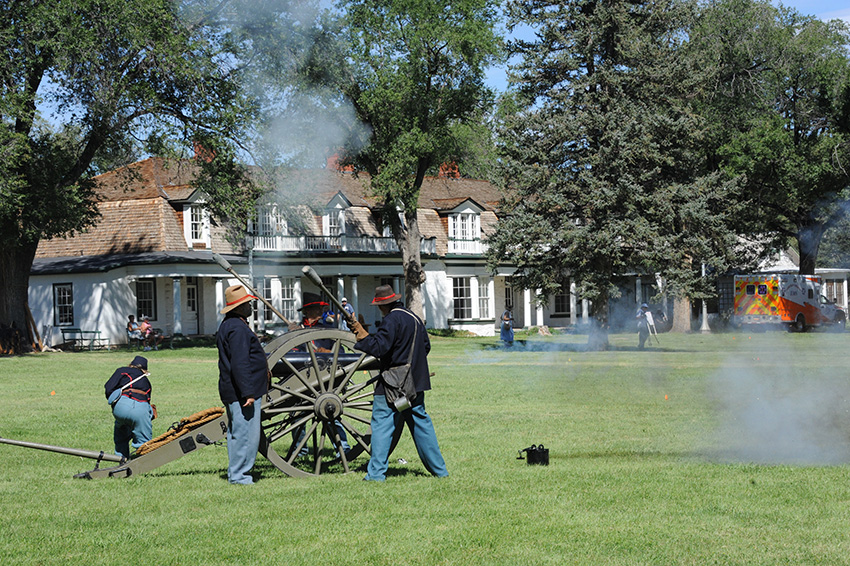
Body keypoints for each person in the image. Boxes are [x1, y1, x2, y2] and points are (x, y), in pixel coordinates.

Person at [351, 284, 448, 481]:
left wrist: (361, 334)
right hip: (416, 381)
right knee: (421, 424)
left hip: (392, 382)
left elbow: (379, 348)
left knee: (381, 425)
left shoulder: (390, 320)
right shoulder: (414, 318)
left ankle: (376, 475)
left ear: (382, 305)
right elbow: (426, 347)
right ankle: (440, 471)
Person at [217, 285, 269, 484]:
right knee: (245, 434)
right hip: (242, 391)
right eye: (247, 303)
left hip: (236, 389)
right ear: (238, 307)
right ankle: (240, 476)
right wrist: (247, 392)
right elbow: (240, 363)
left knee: (239, 433)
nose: (250, 306)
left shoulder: (232, 324)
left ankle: (238, 473)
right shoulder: (237, 328)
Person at [104, 355, 154, 459]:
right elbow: (147, 401)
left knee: (120, 434)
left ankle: (120, 460)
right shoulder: (146, 382)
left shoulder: (122, 370)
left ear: (131, 365)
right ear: (145, 370)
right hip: (140, 408)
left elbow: (108, 388)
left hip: (120, 407)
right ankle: (142, 463)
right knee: (144, 441)